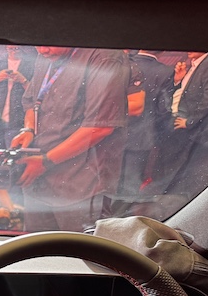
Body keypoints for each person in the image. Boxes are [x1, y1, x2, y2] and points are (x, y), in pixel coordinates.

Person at [10, 46, 127, 232]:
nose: (42, 50)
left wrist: (46, 161)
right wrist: (29, 129)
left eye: (48, 43)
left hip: (80, 186)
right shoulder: (45, 56)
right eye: (37, 44)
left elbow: (100, 127)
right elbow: (32, 102)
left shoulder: (103, 57)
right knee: (37, 247)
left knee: (78, 249)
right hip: (38, 181)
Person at [152, 51, 208, 192]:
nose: (189, 49)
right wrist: (177, 80)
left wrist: (190, 121)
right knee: (165, 169)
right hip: (174, 122)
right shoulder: (195, 64)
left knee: (173, 174)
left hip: (188, 130)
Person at [120, 50, 173, 198]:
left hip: (113, 133)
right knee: (129, 187)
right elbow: (163, 110)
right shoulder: (166, 72)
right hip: (140, 137)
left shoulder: (123, 63)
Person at [0, 45, 35, 142]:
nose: (13, 52)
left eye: (16, 49)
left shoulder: (31, 64)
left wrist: (23, 80)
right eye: (10, 49)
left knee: (13, 150)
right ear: (6, 47)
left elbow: (37, 94)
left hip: (19, 121)